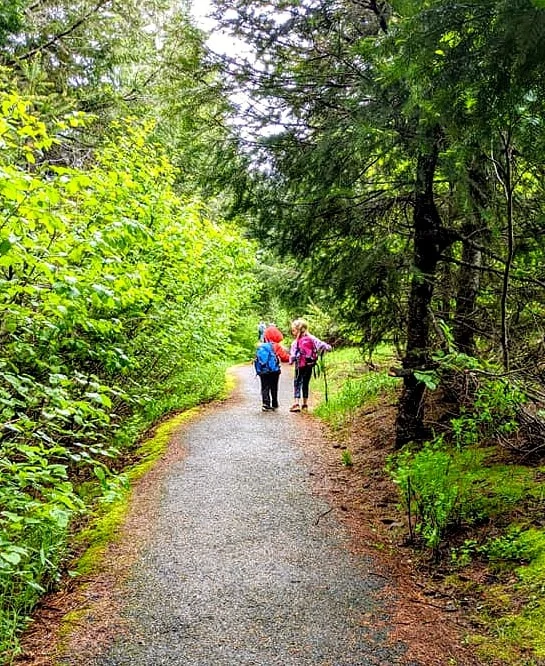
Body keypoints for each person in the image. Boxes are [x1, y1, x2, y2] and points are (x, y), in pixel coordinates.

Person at [289, 318, 332, 413]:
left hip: (300, 365)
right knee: (305, 383)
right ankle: (305, 404)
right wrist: (328, 347)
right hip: (309, 364)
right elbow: (321, 345)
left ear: (298, 330)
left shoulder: (296, 341)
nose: (293, 332)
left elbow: (292, 355)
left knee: (297, 382)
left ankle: (296, 403)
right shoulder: (311, 338)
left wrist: (291, 361)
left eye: (293, 330)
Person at [254, 324, 289, 412]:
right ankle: (274, 403)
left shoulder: (261, 346)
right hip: (274, 370)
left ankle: (265, 404)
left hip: (263, 370)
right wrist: (292, 358)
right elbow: (284, 358)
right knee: (274, 386)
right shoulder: (276, 346)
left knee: (264, 386)